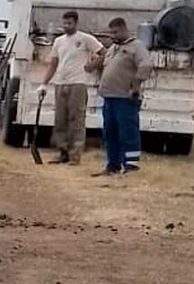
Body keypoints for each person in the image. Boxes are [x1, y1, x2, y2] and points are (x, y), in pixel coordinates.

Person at [36, 10, 102, 164]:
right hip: (60, 83)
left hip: (77, 83)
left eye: (69, 23)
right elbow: (53, 63)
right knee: (60, 120)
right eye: (64, 23)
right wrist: (44, 83)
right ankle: (62, 152)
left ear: (75, 23)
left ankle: (75, 154)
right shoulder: (59, 41)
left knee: (76, 120)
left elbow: (104, 53)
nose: (66, 26)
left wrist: (92, 65)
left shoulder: (85, 39)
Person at [89, 16, 152, 176]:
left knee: (127, 132)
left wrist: (135, 85)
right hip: (109, 98)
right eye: (111, 32)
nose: (113, 36)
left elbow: (146, 65)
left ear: (124, 29)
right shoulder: (113, 48)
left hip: (125, 98)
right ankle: (113, 165)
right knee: (110, 133)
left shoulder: (136, 47)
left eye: (115, 32)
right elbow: (104, 64)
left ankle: (131, 166)